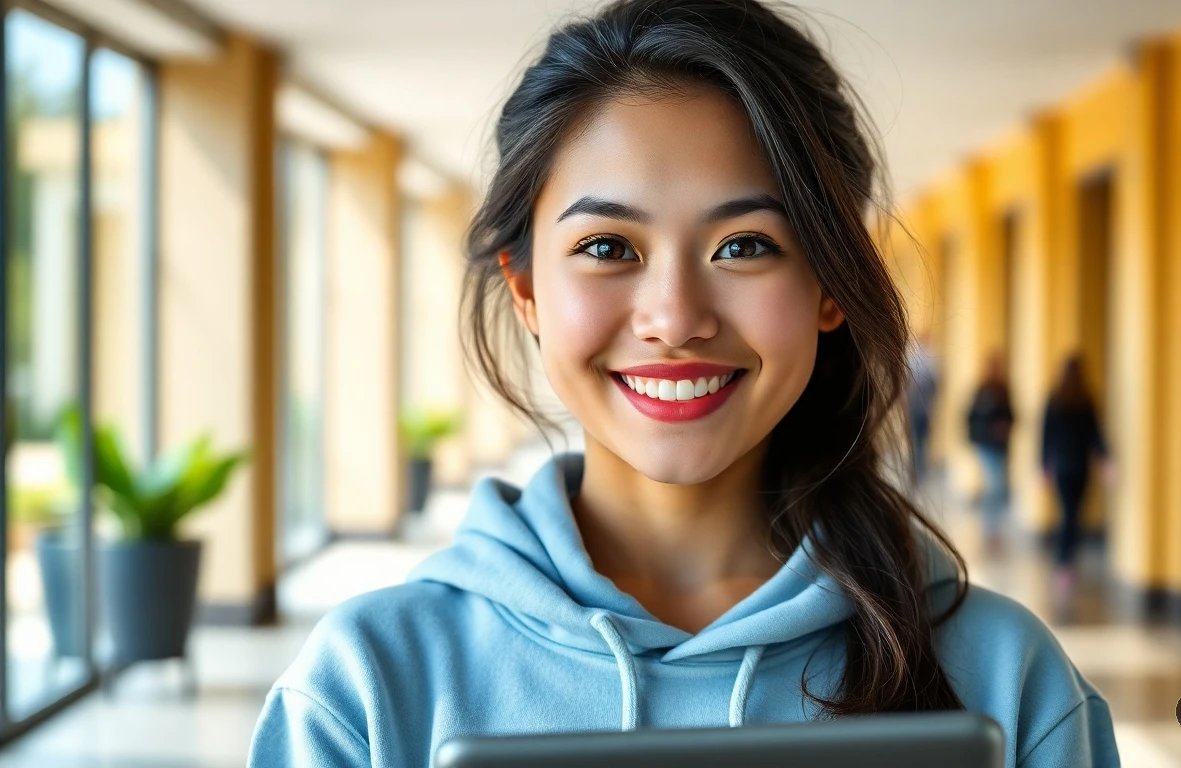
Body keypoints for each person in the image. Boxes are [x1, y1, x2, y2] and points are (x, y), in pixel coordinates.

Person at [247, 2, 1118, 766]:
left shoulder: (1009, 684)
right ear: (526, 291)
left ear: (829, 285)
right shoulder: (367, 691)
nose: (675, 317)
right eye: (606, 248)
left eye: (744, 245)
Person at [1040, 354, 1112, 595]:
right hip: (1079, 466)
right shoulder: (1084, 400)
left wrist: (1044, 464)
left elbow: (1046, 436)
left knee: (1069, 514)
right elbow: (1095, 435)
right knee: (1073, 514)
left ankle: (1064, 562)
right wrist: (1105, 458)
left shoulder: (1057, 399)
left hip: (1063, 465)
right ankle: (1065, 561)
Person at [966, 351, 1014, 554]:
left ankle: (994, 530)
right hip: (987, 445)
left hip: (1001, 446)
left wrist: (1005, 426)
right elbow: (971, 417)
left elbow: (1012, 414)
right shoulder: (982, 389)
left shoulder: (1004, 389)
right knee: (994, 485)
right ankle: (990, 530)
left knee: (998, 487)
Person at [905, 331, 939, 486]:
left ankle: (918, 471)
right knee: (916, 441)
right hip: (917, 408)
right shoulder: (916, 361)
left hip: (923, 409)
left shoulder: (928, 361)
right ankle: (916, 471)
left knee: (920, 441)